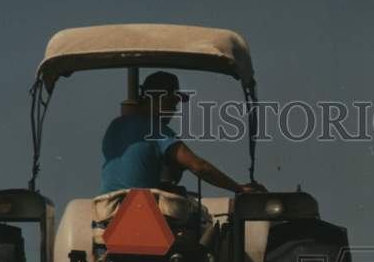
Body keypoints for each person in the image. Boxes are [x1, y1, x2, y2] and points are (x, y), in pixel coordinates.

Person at [99, 70, 265, 196]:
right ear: (154, 98)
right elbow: (199, 167)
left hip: (106, 211)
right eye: (172, 102)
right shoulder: (156, 130)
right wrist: (239, 188)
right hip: (138, 212)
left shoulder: (114, 126)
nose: (174, 109)